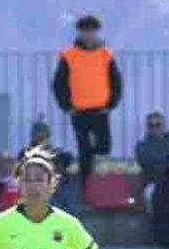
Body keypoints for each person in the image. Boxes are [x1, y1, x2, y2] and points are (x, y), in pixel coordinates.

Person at [52, 13, 122, 189]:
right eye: (85, 30)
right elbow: (59, 83)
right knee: (83, 149)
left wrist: (111, 104)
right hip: (79, 111)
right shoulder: (69, 55)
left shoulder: (106, 54)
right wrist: (66, 106)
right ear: (79, 32)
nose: (88, 34)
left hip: (100, 110)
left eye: (92, 30)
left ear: (97, 32)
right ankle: (87, 185)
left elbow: (116, 81)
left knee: (104, 146)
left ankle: (93, 173)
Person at [134, 111, 169, 181]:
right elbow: (149, 163)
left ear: (163, 126)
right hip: (151, 183)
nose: (154, 128)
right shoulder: (141, 146)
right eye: (151, 125)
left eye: (158, 125)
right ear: (147, 127)